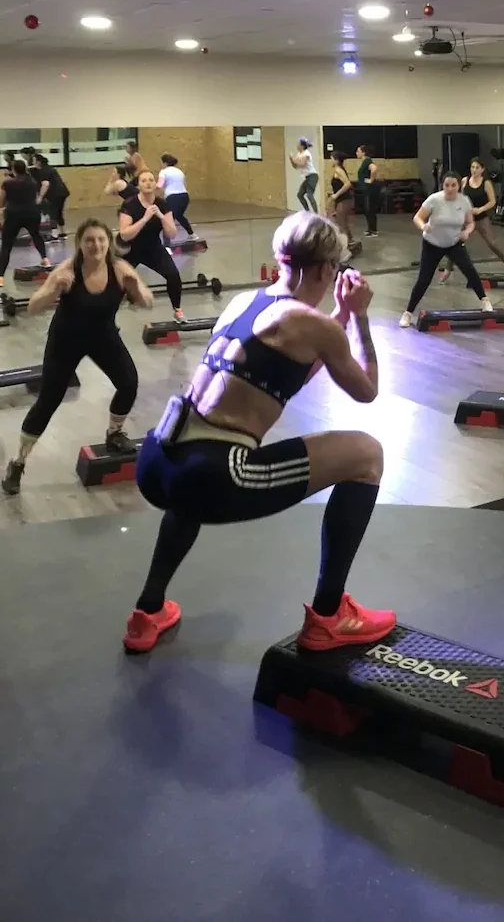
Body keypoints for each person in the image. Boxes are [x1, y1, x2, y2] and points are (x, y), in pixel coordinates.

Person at [122, 211, 394, 655]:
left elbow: (289, 376)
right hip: (216, 473)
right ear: (327, 269)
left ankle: (147, 610)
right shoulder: (314, 324)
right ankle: (329, 617)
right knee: (368, 454)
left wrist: (339, 314)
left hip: (158, 459)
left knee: (192, 480)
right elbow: (366, 390)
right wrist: (358, 318)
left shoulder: (244, 301)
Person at [1, 219, 152, 497]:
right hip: (65, 342)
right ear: (80, 244)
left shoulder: (120, 269)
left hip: (103, 337)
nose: (95, 245)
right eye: (89, 240)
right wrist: (55, 289)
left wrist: (136, 288)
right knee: (48, 402)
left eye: (101, 240)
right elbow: (33, 307)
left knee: (128, 383)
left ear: (108, 242)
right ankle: (17, 463)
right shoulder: (67, 271)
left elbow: (148, 302)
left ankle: (114, 434)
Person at [400, 172, 494, 328]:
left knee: (469, 270)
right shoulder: (434, 200)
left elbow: (470, 223)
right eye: (447, 185)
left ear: (459, 186)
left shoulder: (464, 201)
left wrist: (467, 232)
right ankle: (407, 313)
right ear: (442, 186)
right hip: (432, 244)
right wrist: (423, 226)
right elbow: (417, 217)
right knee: (424, 279)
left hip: (454, 242)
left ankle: (484, 301)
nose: (450, 189)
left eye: (453, 185)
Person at [118, 169, 184, 321]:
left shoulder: (162, 204)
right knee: (117, 285)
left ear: (155, 184)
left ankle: (177, 310)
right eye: (143, 181)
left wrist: (161, 216)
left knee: (173, 276)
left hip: (153, 249)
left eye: (150, 180)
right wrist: (145, 219)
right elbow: (124, 234)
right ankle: (107, 318)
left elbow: (171, 234)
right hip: (130, 250)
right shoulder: (130, 204)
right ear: (139, 185)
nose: (148, 183)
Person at [439, 157, 504, 282]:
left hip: (480, 218)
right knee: (456, 243)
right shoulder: (464, 181)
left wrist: (480, 209)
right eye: (472, 167)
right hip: (466, 218)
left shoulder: (486, 183)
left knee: (492, 243)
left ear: (482, 169)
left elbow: (492, 202)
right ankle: (447, 271)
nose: (474, 170)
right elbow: (457, 196)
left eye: (477, 168)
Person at [0, 159, 50, 290]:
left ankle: (0, 277)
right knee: (36, 235)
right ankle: (45, 260)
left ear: (14, 170)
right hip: (31, 213)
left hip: (13, 215)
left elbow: (1, 201)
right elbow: (37, 194)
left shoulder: (7, 183)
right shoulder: (32, 182)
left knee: (6, 245)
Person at [31, 153, 70, 239]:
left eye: (34, 161)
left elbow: (45, 184)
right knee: (59, 213)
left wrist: (40, 197)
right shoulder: (49, 168)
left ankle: (54, 235)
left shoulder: (43, 171)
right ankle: (62, 233)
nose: (33, 162)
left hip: (55, 194)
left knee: (53, 212)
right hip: (63, 193)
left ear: (39, 162)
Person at [326, 151, 358, 252]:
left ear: (336, 160)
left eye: (331, 158)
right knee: (341, 221)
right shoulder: (337, 170)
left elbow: (348, 184)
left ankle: (347, 243)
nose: (330, 160)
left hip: (344, 199)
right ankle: (349, 240)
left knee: (341, 222)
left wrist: (336, 194)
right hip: (341, 200)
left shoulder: (339, 170)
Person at [158, 153, 194, 235]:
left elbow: (159, 185)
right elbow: (184, 184)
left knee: (168, 220)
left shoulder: (163, 172)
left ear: (165, 163)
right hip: (185, 197)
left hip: (173, 198)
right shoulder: (179, 171)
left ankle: (167, 244)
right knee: (179, 216)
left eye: (161, 162)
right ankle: (192, 235)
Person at [356, 144, 382, 238]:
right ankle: (370, 229)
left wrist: (371, 180)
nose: (356, 153)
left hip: (370, 190)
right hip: (367, 190)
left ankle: (374, 231)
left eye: (358, 151)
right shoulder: (364, 162)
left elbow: (374, 169)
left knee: (370, 209)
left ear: (363, 153)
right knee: (367, 210)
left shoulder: (367, 161)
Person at [290, 136, 319, 214]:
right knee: (300, 195)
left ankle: (316, 214)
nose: (296, 145)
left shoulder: (306, 153)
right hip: (307, 177)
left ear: (302, 146)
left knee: (310, 195)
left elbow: (302, 163)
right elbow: (295, 166)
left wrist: (293, 159)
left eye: (298, 144)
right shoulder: (299, 154)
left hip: (312, 176)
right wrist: (291, 159)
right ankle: (307, 212)